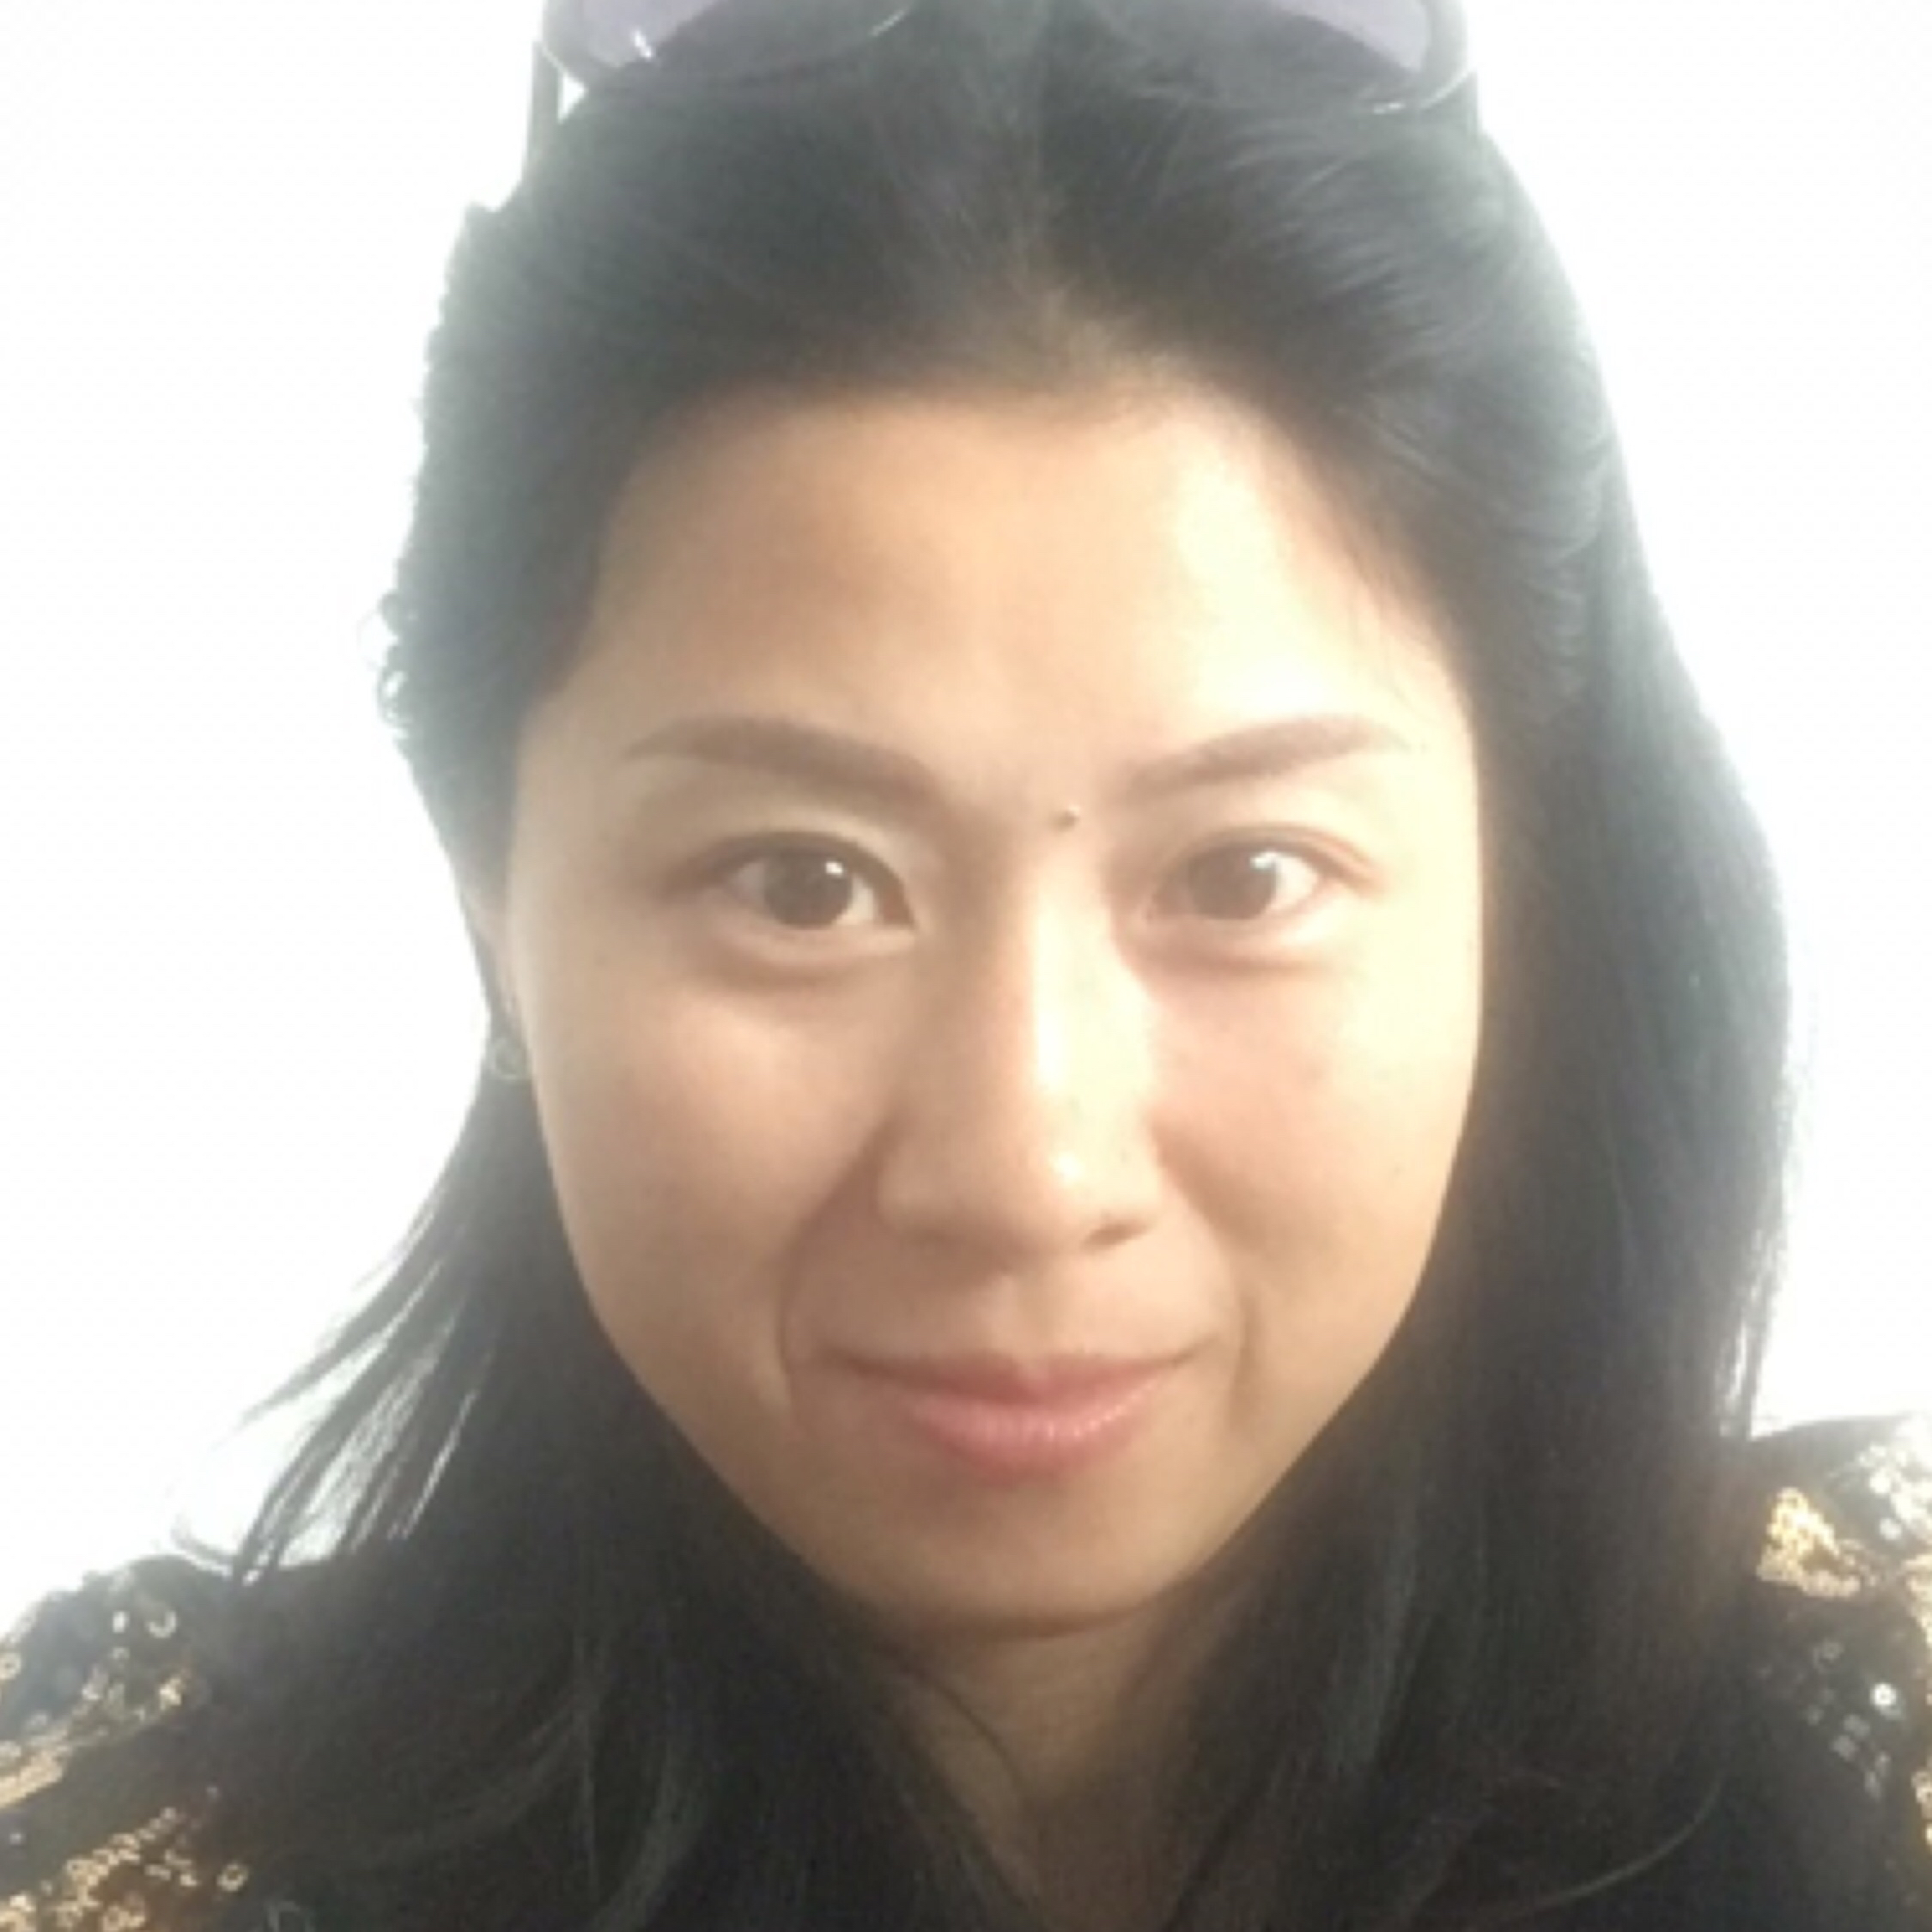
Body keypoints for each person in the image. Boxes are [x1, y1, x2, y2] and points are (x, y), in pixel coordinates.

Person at [3, 0, 1928, 1926]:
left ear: (1513, 896)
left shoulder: (1877, 1713)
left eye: (1247, 873)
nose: (1027, 1170)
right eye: (800, 884)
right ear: (493, 909)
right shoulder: (127, 1846)